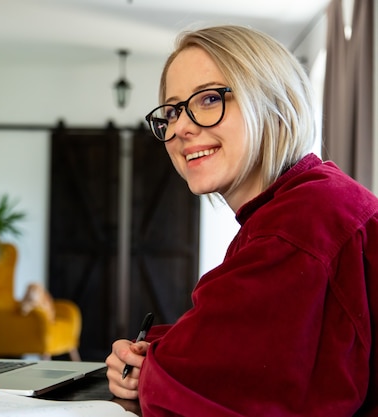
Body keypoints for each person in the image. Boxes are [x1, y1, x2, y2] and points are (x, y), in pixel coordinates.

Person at [105, 25, 378, 416]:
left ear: (273, 102)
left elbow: (216, 391)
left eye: (210, 98)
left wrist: (150, 367)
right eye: (172, 111)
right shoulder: (303, 201)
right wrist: (150, 356)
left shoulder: (298, 224)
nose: (180, 127)